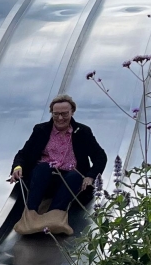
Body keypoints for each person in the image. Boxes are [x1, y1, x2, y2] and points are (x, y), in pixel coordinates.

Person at [9, 95, 108, 238]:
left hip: (70, 182)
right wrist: (17, 167)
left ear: (72, 112)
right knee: (44, 167)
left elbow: (100, 156)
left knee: (75, 175)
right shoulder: (41, 130)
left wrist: (91, 176)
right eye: (56, 114)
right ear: (51, 113)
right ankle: (31, 215)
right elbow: (23, 153)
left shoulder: (82, 132)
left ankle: (55, 217)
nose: (60, 118)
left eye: (64, 114)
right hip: (43, 180)